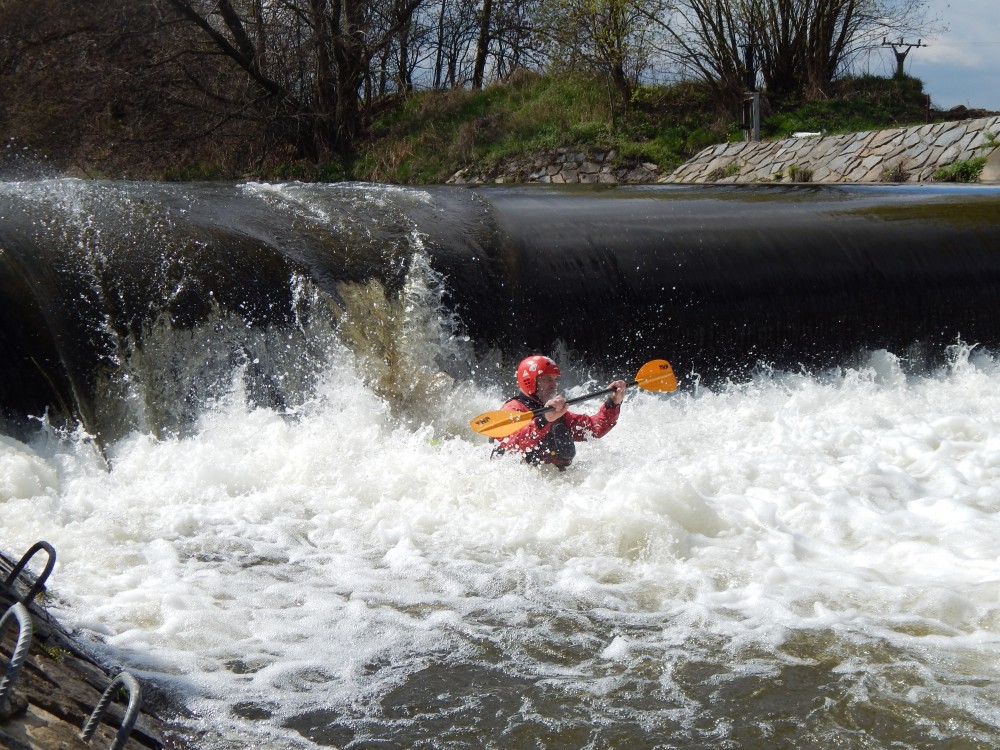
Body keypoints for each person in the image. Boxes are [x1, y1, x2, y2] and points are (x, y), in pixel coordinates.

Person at [492, 355, 626, 469]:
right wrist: (544, 420)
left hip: (555, 481)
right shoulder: (512, 409)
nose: (554, 384)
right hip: (522, 482)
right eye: (547, 379)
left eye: (555, 379)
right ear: (529, 381)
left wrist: (613, 403)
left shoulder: (554, 412)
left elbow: (594, 429)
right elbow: (511, 445)